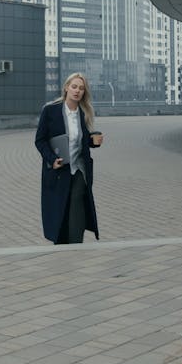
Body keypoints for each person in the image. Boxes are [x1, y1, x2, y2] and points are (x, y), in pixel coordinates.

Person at [35, 73, 104, 245]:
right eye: (74, 87)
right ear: (66, 87)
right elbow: (40, 140)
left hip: (79, 168)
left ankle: (76, 245)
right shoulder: (50, 110)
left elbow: (83, 141)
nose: (77, 91)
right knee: (61, 207)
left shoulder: (84, 113)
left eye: (81, 88)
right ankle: (62, 244)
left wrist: (93, 141)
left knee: (77, 201)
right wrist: (52, 159)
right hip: (59, 168)